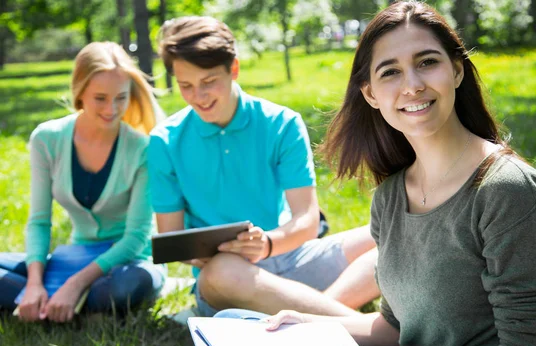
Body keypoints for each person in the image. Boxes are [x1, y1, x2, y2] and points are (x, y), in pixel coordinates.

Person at [216, 1, 536, 346]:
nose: (412, 84)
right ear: (370, 93)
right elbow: (395, 328)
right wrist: (310, 325)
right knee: (239, 329)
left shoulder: (507, 191)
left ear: (457, 70)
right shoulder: (391, 195)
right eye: (391, 72)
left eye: (427, 62)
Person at [149, 16, 379, 318]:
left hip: (290, 255)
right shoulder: (165, 141)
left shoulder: (281, 123)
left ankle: (304, 316)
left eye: (208, 82)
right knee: (220, 273)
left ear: (234, 69)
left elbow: (307, 220)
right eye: (186, 86)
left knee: (391, 236)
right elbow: (173, 239)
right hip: (230, 277)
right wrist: (205, 256)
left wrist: (267, 244)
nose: (198, 97)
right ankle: (361, 328)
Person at [0, 42, 167, 323]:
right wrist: (34, 281)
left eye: (120, 98)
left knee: (129, 285)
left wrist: (76, 283)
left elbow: (136, 238)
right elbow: (39, 222)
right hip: (72, 258)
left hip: (127, 263)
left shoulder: (142, 149)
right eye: (100, 98)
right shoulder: (47, 139)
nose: (112, 109)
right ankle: (49, 298)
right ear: (79, 93)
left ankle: (56, 301)